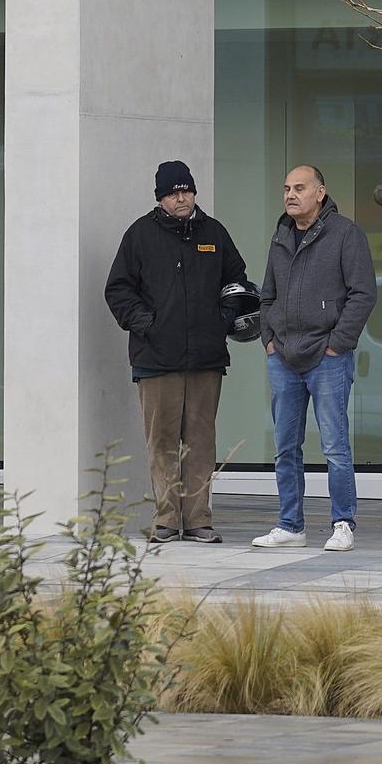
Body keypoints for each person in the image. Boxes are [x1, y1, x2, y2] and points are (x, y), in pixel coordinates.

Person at [104, 161, 248, 544]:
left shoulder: (214, 233)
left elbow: (237, 280)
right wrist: (147, 324)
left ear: (195, 193)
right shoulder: (139, 235)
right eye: (172, 192)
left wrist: (223, 319)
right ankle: (167, 519)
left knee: (201, 440)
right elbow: (118, 290)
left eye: (186, 190)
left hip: (206, 358)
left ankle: (199, 519)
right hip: (156, 360)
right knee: (162, 442)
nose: (180, 197)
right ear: (160, 199)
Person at [252, 165, 378, 552]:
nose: (290, 194)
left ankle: (343, 522)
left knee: (334, 446)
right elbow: (267, 294)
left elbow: (363, 294)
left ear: (320, 193)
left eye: (299, 188)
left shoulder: (346, 234)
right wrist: (268, 338)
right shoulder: (280, 236)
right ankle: (290, 524)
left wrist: (337, 344)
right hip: (283, 356)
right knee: (285, 445)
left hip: (327, 357)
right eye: (286, 187)